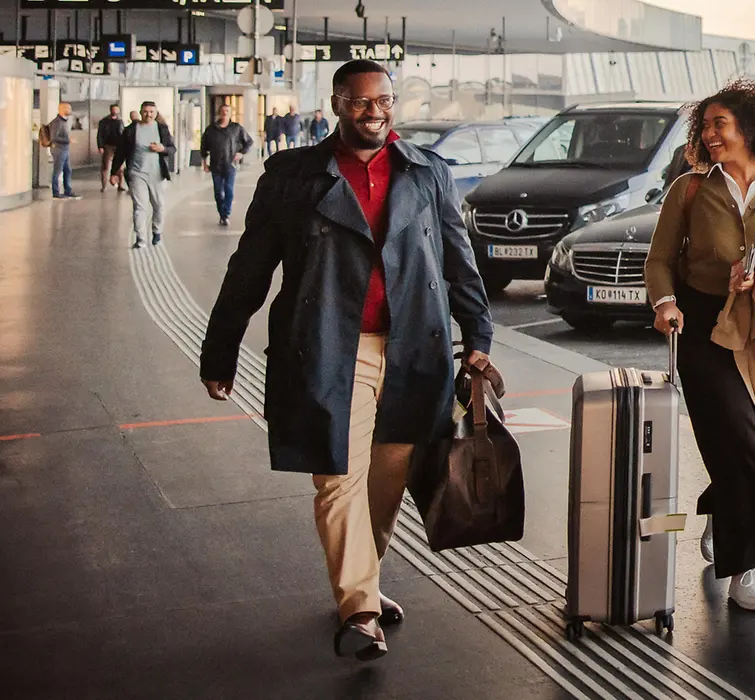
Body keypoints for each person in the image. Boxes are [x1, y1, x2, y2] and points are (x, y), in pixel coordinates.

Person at [200, 59, 494, 662]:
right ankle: (359, 608)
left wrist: (479, 335)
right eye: (361, 102)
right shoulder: (292, 176)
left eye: (384, 100)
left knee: (388, 481)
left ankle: (362, 581)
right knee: (337, 476)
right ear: (337, 104)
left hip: (415, 351)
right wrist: (220, 348)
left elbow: (459, 262)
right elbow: (251, 268)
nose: (375, 111)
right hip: (329, 351)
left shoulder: (426, 172)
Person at [643, 79, 755, 612]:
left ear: (751, 128)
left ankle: (724, 515)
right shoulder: (690, 188)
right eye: (706, 126)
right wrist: (664, 304)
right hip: (703, 332)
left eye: (720, 123)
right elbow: (658, 260)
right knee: (740, 443)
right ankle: (750, 568)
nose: (709, 134)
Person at [111, 101, 173, 248]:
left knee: (159, 206)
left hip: (157, 174)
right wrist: (114, 172)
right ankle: (141, 239)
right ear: (141, 112)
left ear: (156, 113)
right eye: (145, 111)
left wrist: (162, 148)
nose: (148, 114)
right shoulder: (131, 130)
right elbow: (121, 152)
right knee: (140, 206)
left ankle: (156, 233)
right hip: (136, 173)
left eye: (151, 112)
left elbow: (172, 148)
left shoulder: (162, 129)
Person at [199, 103, 254, 226]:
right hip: (216, 165)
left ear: (230, 113)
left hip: (230, 164)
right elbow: (204, 146)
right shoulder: (211, 129)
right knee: (218, 191)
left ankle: (227, 213)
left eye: (227, 111)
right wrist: (204, 162)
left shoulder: (236, 128)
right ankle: (221, 213)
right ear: (219, 112)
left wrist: (241, 153)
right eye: (223, 111)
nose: (225, 113)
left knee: (229, 189)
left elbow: (248, 142)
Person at [46, 103, 77, 200]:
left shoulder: (64, 121)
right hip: (59, 150)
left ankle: (68, 190)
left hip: (64, 149)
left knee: (67, 170)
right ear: (62, 109)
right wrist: (68, 140)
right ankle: (56, 192)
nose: (70, 110)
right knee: (57, 171)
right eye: (68, 108)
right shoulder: (57, 122)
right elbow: (54, 138)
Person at [97, 104, 124, 193]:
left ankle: (120, 185)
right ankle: (104, 186)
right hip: (108, 145)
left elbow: (122, 133)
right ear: (110, 110)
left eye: (117, 110)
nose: (116, 112)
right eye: (114, 110)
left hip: (119, 146)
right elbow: (100, 135)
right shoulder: (104, 122)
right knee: (106, 166)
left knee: (120, 167)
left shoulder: (120, 121)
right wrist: (100, 146)